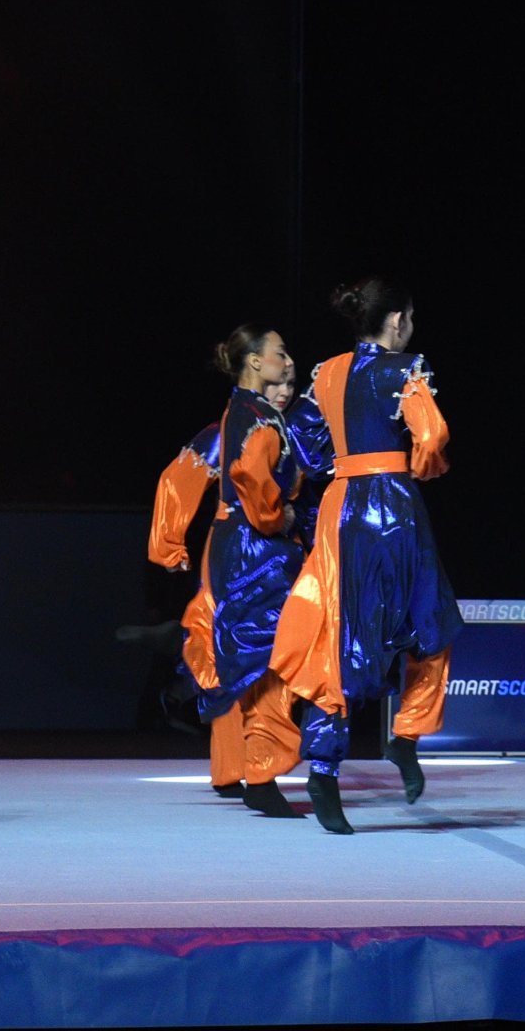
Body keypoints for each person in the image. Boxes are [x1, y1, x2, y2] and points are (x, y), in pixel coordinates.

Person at [269, 277, 462, 835]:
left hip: (340, 509)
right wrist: (424, 466)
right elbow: (432, 434)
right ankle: (404, 737)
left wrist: (341, 464)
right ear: (397, 321)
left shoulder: (325, 373)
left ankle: (325, 771)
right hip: (393, 508)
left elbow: (302, 436)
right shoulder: (406, 369)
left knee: (337, 635)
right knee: (430, 625)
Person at [148, 380, 301, 799]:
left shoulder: (284, 430)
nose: (285, 390)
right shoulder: (229, 432)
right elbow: (181, 476)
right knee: (240, 646)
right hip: (244, 547)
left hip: (271, 545)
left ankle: (234, 767)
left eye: (291, 383)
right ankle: (245, 765)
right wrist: (169, 540)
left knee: (236, 647)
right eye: (277, 383)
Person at [202, 328, 308, 818]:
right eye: (279, 353)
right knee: (272, 658)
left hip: (235, 543)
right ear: (253, 361)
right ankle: (262, 775)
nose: (285, 362)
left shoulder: (239, 409)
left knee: (252, 654)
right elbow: (253, 480)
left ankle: (250, 769)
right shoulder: (259, 417)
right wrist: (279, 517)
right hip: (256, 546)